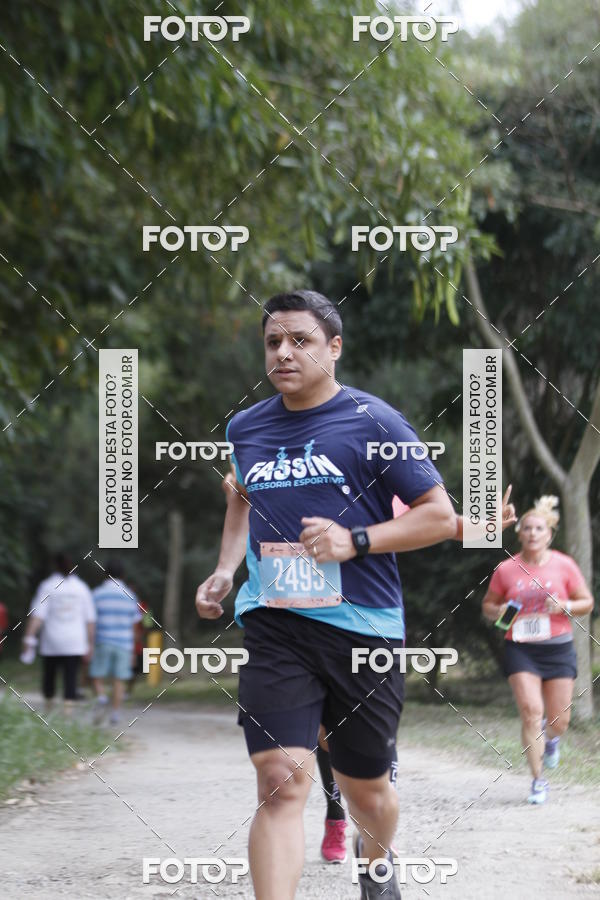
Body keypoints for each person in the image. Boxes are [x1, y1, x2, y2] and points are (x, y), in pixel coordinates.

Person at [196, 289, 470, 899]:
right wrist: (224, 568)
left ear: (334, 348)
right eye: (273, 342)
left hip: (362, 631)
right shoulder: (247, 427)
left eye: (301, 340)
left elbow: (438, 516)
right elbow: (239, 496)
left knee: (366, 790)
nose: (284, 353)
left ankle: (376, 864)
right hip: (276, 623)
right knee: (280, 778)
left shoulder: (375, 422)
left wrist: (357, 541)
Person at [481, 495, 594, 805]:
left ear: (549, 534)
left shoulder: (564, 565)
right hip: (521, 648)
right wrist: (502, 610)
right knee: (531, 714)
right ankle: (537, 780)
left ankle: (552, 741)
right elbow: (488, 607)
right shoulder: (506, 569)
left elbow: (587, 602)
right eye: (527, 528)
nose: (532, 533)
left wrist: (565, 605)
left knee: (559, 722)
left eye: (539, 528)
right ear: (519, 533)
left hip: (557, 648)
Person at [22, 552, 95, 715]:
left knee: (49, 676)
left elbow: (38, 615)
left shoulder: (47, 586)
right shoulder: (81, 588)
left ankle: (48, 711)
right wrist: (91, 644)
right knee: (71, 678)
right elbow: (90, 619)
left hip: (52, 641)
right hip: (75, 641)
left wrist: (29, 637)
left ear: (55, 566)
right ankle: (67, 715)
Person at [89, 560, 141, 725]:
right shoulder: (130, 595)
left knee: (96, 674)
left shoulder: (97, 594)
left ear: (105, 574)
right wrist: (133, 649)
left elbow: (90, 620)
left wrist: (89, 643)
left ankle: (102, 697)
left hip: (102, 639)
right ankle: (115, 714)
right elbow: (135, 624)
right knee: (119, 679)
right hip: (124, 642)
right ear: (123, 575)